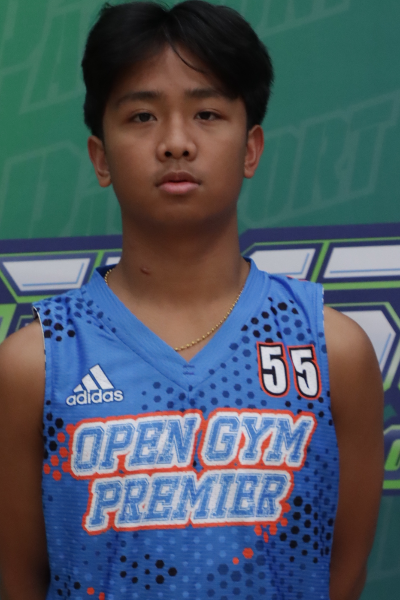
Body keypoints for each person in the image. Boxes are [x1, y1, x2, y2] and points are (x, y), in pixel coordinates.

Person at [0, 2, 383, 599]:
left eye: (207, 114)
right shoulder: (38, 364)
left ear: (250, 148)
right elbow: (20, 580)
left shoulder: (331, 351)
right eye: (143, 116)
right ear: (100, 157)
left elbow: (341, 577)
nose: (176, 143)